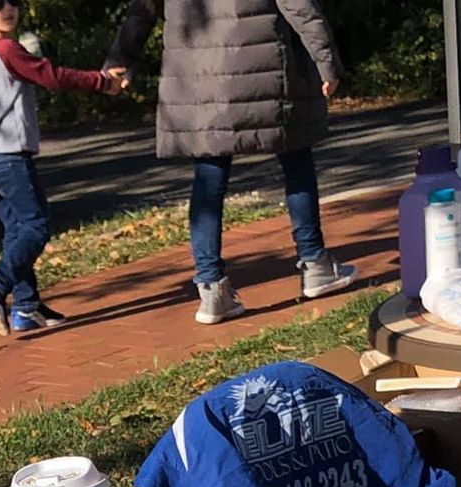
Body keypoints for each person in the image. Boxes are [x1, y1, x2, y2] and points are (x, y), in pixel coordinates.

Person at [105, 0, 356, 326]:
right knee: (296, 158)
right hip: (266, 70)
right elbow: (297, 4)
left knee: (209, 177)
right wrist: (326, 60)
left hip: (197, 80)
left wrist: (121, 58)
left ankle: (211, 288)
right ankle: (315, 264)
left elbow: (143, 9)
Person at [0, 0, 127, 337]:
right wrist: (102, 82)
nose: (7, 7)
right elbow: (52, 77)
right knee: (36, 227)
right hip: (10, 158)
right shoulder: (7, 50)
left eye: (13, 0)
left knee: (16, 231)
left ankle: (27, 306)